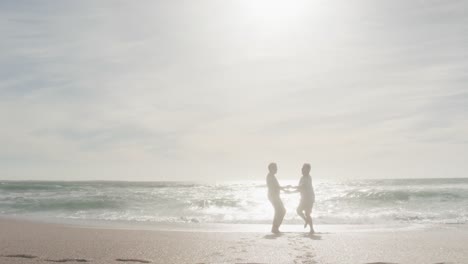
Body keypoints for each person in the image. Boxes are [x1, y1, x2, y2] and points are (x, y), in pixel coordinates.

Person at [266, 162, 286, 234]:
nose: (277, 169)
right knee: (282, 211)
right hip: (273, 196)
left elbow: (276, 187)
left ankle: (275, 228)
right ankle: (275, 228)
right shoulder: (270, 176)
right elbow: (275, 187)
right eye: (275, 168)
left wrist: (284, 188)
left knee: (279, 211)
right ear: (271, 169)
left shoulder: (271, 176)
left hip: (274, 196)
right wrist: (284, 188)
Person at [295, 163, 315, 233]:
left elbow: (302, 186)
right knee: (298, 210)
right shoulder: (302, 178)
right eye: (302, 168)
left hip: (309, 198)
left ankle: (312, 229)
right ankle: (306, 220)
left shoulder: (308, 178)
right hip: (303, 198)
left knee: (307, 213)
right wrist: (291, 191)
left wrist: (292, 189)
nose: (302, 170)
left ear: (308, 170)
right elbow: (299, 188)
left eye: (304, 169)